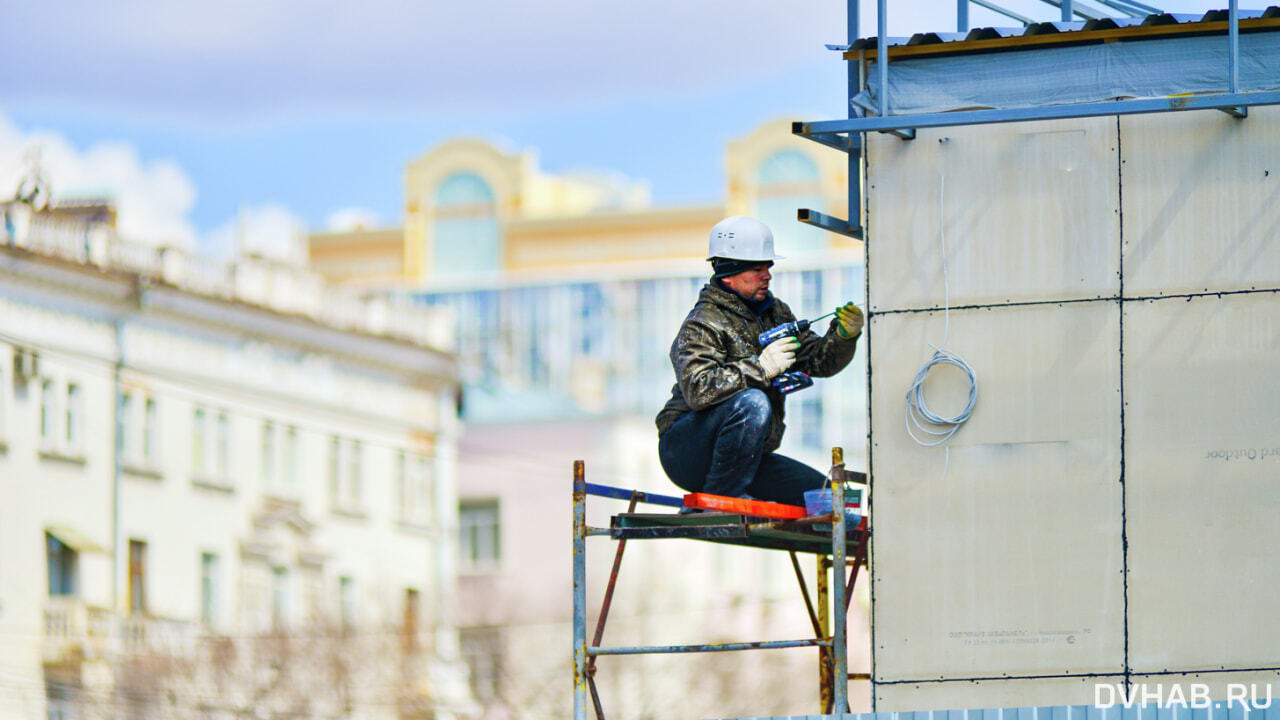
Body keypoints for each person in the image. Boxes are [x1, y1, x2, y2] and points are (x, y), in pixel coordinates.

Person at [655, 216, 864, 507]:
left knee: (833, 500)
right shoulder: (702, 324)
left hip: (743, 459)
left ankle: (734, 491)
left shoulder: (775, 313)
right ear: (729, 273)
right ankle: (721, 498)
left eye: (768, 267)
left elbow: (818, 361)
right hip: (687, 452)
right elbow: (698, 389)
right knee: (753, 402)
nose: (767, 275)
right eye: (757, 269)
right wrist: (761, 368)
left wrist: (843, 336)